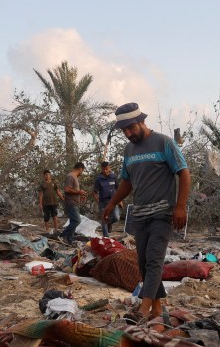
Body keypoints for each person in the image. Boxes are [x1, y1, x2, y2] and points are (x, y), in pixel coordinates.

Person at [101, 103, 190, 322]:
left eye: (131, 128)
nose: (128, 133)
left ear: (141, 121)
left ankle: (143, 308)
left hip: (162, 213)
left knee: (153, 260)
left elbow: (184, 173)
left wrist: (180, 206)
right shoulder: (129, 150)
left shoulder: (164, 143)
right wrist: (112, 204)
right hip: (139, 215)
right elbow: (126, 182)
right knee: (143, 262)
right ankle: (158, 310)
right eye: (124, 130)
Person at [60, 162, 87, 244]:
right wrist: (78, 192)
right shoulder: (71, 176)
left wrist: (80, 194)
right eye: (82, 170)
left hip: (75, 203)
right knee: (77, 220)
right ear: (80, 169)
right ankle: (63, 235)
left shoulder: (74, 177)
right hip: (71, 203)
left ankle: (70, 239)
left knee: (73, 221)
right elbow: (67, 189)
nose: (82, 172)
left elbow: (74, 191)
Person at [92, 161, 121, 238]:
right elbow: (94, 192)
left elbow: (118, 189)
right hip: (103, 202)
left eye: (106, 169)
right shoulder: (99, 179)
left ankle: (110, 223)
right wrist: (97, 200)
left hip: (114, 201)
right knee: (104, 219)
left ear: (109, 168)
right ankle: (106, 238)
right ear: (101, 169)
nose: (105, 171)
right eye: (103, 169)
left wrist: (120, 200)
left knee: (116, 217)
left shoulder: (114, 176)